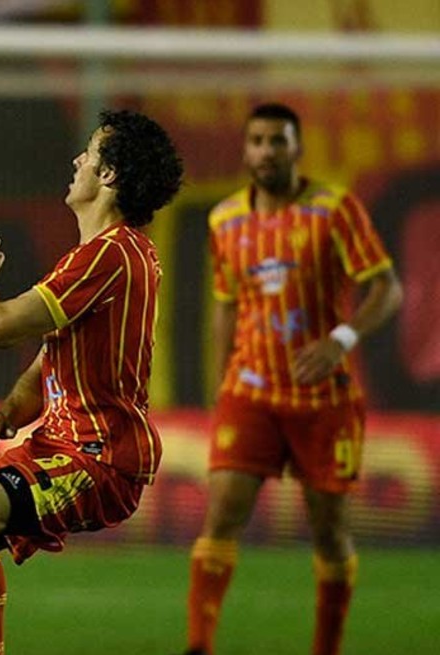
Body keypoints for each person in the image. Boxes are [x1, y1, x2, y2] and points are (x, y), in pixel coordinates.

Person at [0, 109, 184, 655]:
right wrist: (10, 411)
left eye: (89, 153)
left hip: (101, 455)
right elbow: (49, 364)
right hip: (61, 443)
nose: (77, 161)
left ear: (108, 175)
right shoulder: (107, 257)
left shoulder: (112, 253)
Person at [183, 103, 402, 655]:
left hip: (324, 399)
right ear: (245, 150)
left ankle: (326, 648)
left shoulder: (335, 210)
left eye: (277, 141)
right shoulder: (224, 221)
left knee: (328, 530)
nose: (266, 151)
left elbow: (388, 288)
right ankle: (198, 646)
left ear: (297, 148)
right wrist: (219, 385)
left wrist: (340, 341)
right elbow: (225, 308)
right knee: (222, 513)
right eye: (256, 140)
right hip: (251, 392)